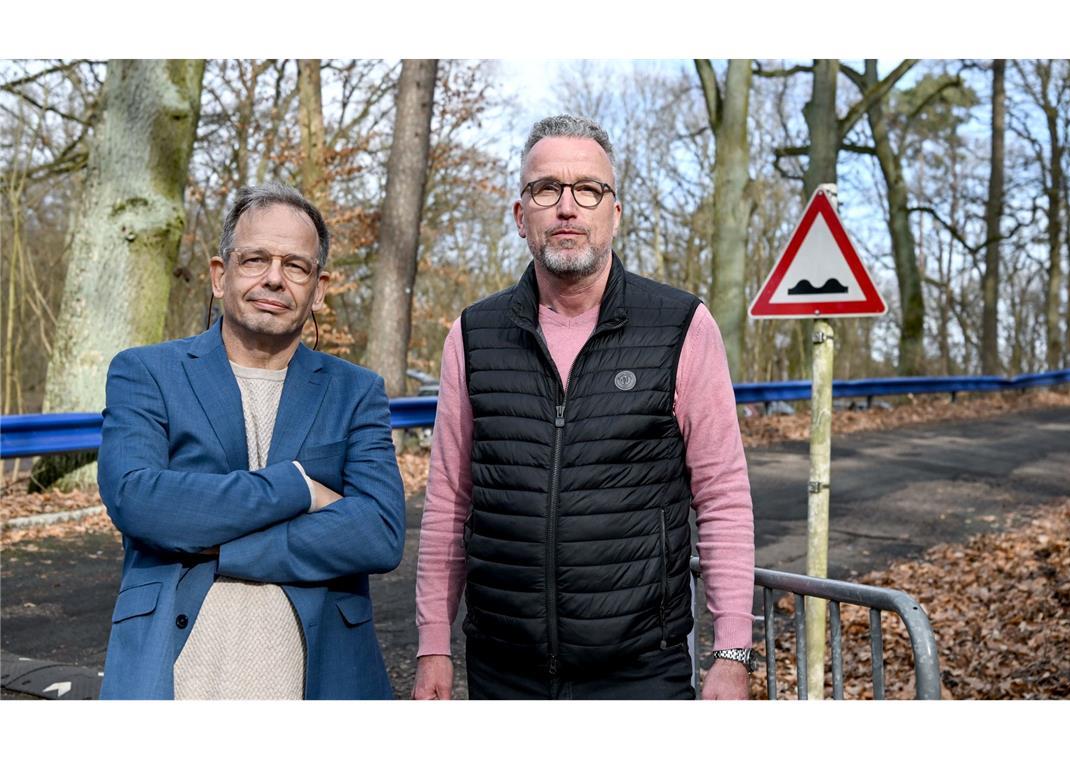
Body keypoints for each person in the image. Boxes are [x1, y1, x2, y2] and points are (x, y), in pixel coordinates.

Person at [413, 115, 757, 700]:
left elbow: (722, 496)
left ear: (613, 213)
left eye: (588, 190)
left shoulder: (680, 326)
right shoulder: (473, 335)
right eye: (546, 189)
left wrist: (730, 653)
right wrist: (431, 647)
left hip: (640, 672)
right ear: (522, 216)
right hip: (503, 671)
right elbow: (448, 503)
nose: (567, 207)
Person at [97, 183, 405, 699]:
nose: (274, 279)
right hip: (175, 679)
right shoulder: (147, 372)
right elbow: (138, 499)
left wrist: (220, 544)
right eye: (255, 259)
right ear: (220, 275)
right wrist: (299, 488)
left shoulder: (356, 391)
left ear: (319, 289)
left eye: (296, 266)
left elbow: (379, 531)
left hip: (320, 681)